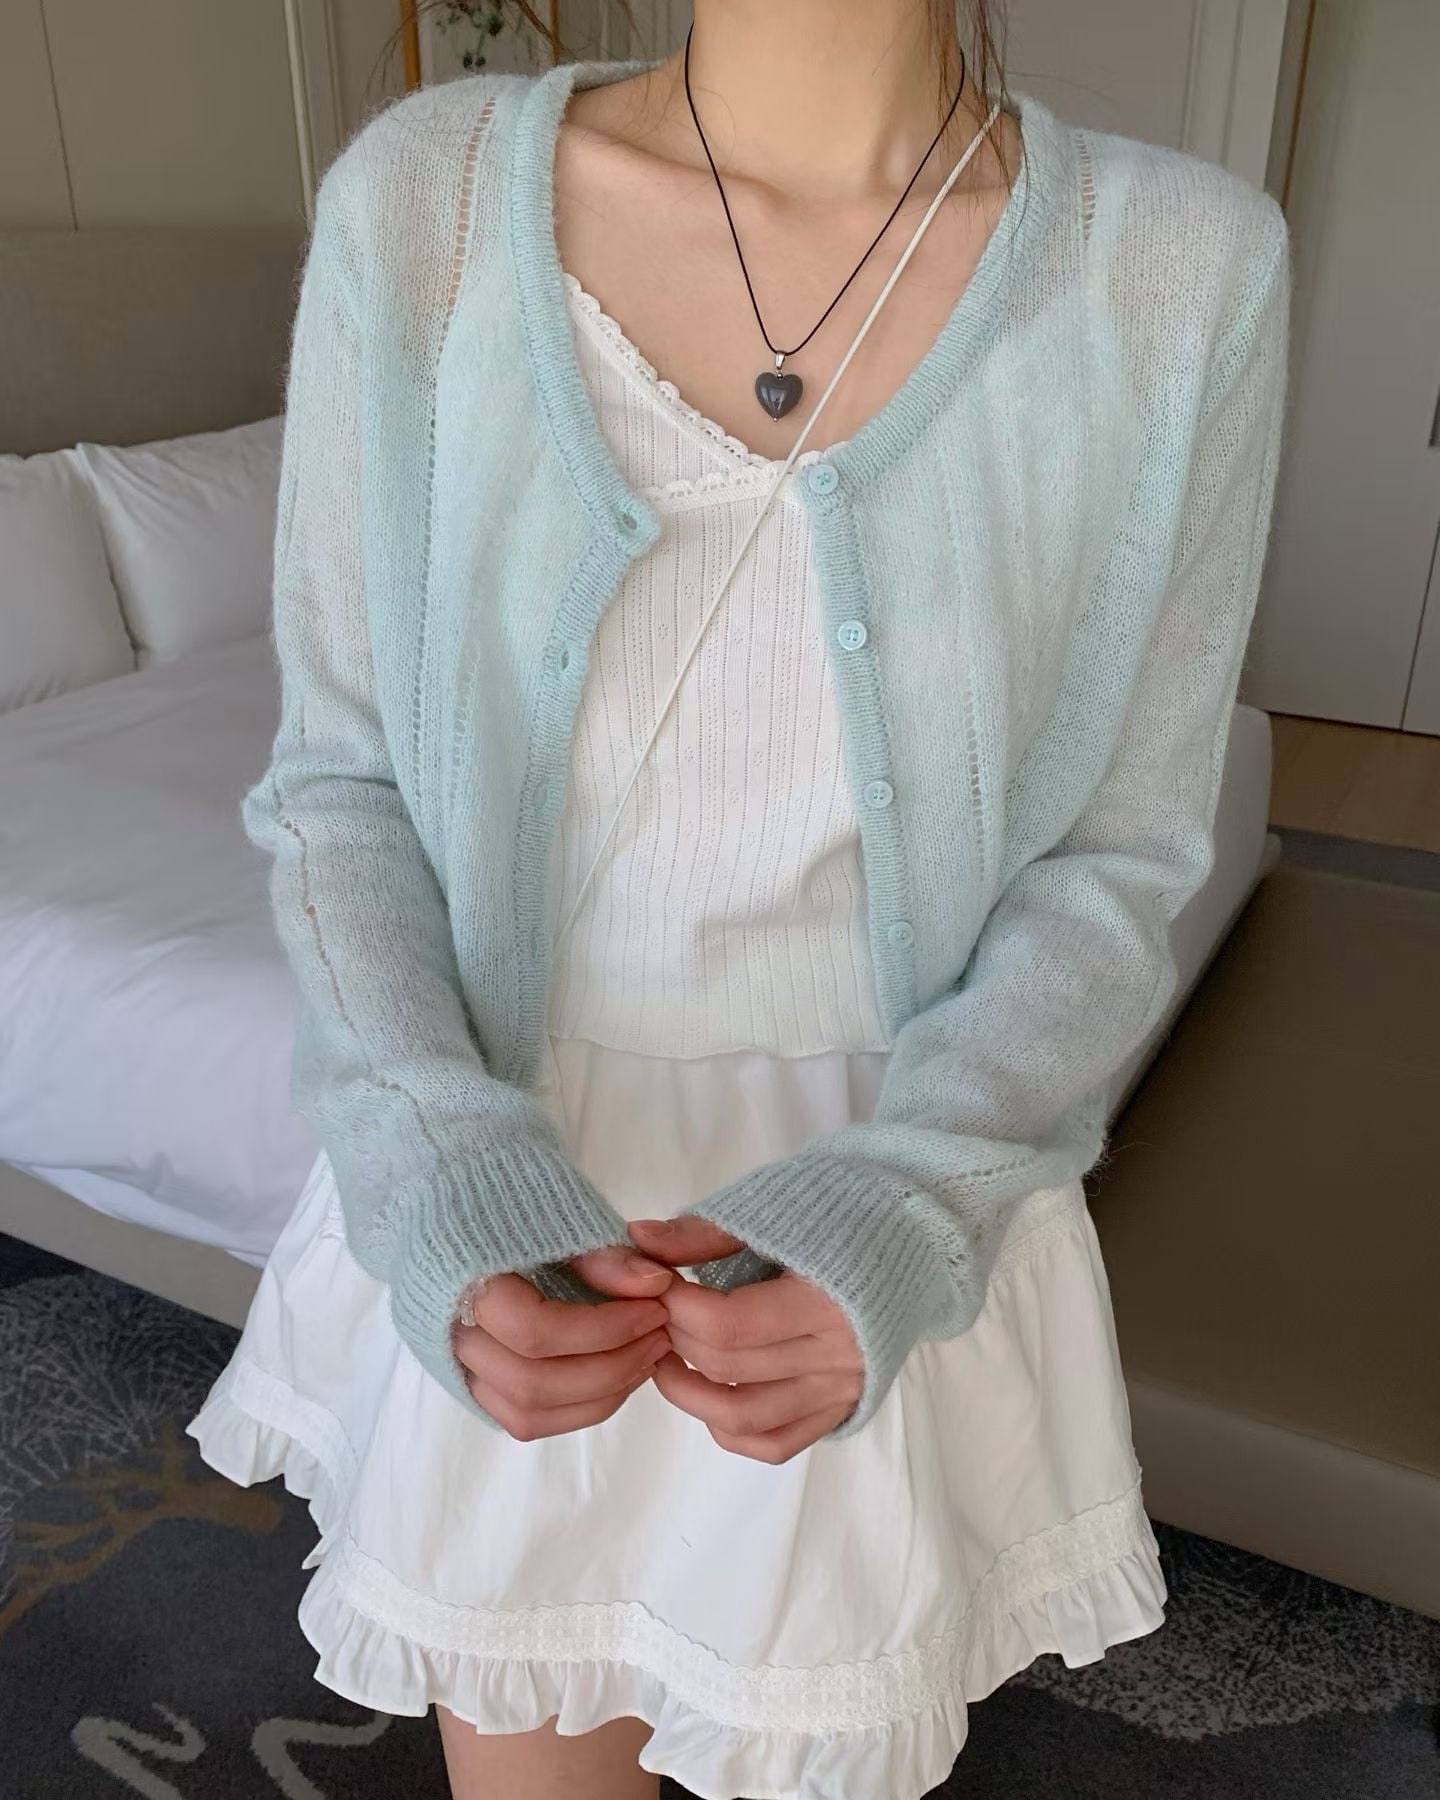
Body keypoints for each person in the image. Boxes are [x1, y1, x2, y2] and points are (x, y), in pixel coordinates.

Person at [188, 3, 1292, 1796]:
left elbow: (1118, 859)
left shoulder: (1180, 271)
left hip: (894, 1209)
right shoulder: (427, 200)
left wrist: (909, 1205)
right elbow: (341, 788)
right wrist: (432, 1164)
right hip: (506, 1209)